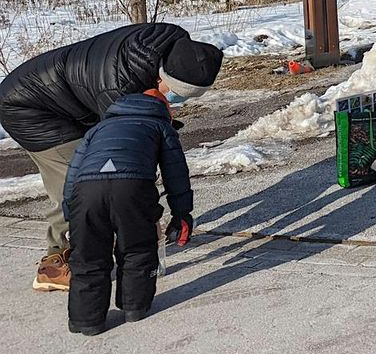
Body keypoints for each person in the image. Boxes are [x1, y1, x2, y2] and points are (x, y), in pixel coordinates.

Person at [0, 24, 222, 291]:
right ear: (161, 73)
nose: (173, 100)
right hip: (30, 108)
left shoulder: (174, 45)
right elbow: (127, 161)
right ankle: (56, 262)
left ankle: (105, 235)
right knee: (83, 181)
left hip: (70, 99)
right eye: (172, 92)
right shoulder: (118, 86)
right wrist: (145, 213)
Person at [62, 86, 194, 335]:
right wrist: (182, 214)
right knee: (137, 248)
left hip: (86, 191)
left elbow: (73, 172)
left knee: (88, 255)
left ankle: (86, 321)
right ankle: (135, 307)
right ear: (164, 110)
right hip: (133, 187)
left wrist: (71, 211)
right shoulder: (160, 127)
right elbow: (176, 175)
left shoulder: (97, 129)